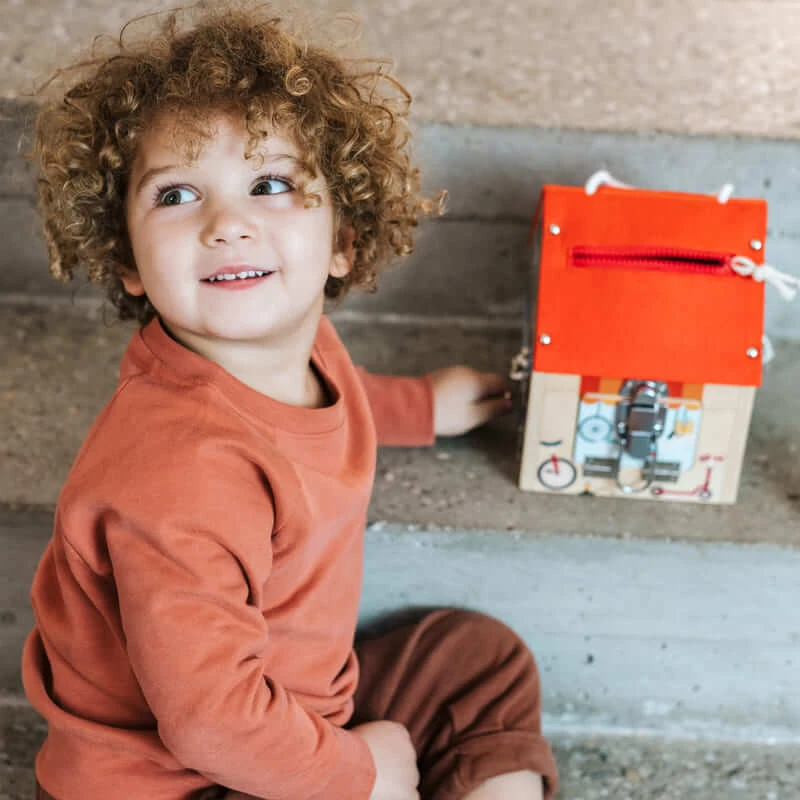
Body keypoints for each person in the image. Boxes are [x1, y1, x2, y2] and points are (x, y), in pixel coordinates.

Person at [22, 5, 559, 799]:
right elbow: (211, 722)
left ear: (343, 239)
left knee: (475, 660)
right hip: (176, 777)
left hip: (289, 707)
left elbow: (327, 402)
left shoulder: (295, 347)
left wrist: (418, 408)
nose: (227, 224)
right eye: (175, 196)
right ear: (125, 258)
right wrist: (361, 775)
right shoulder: (179, 475)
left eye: (269, 184)